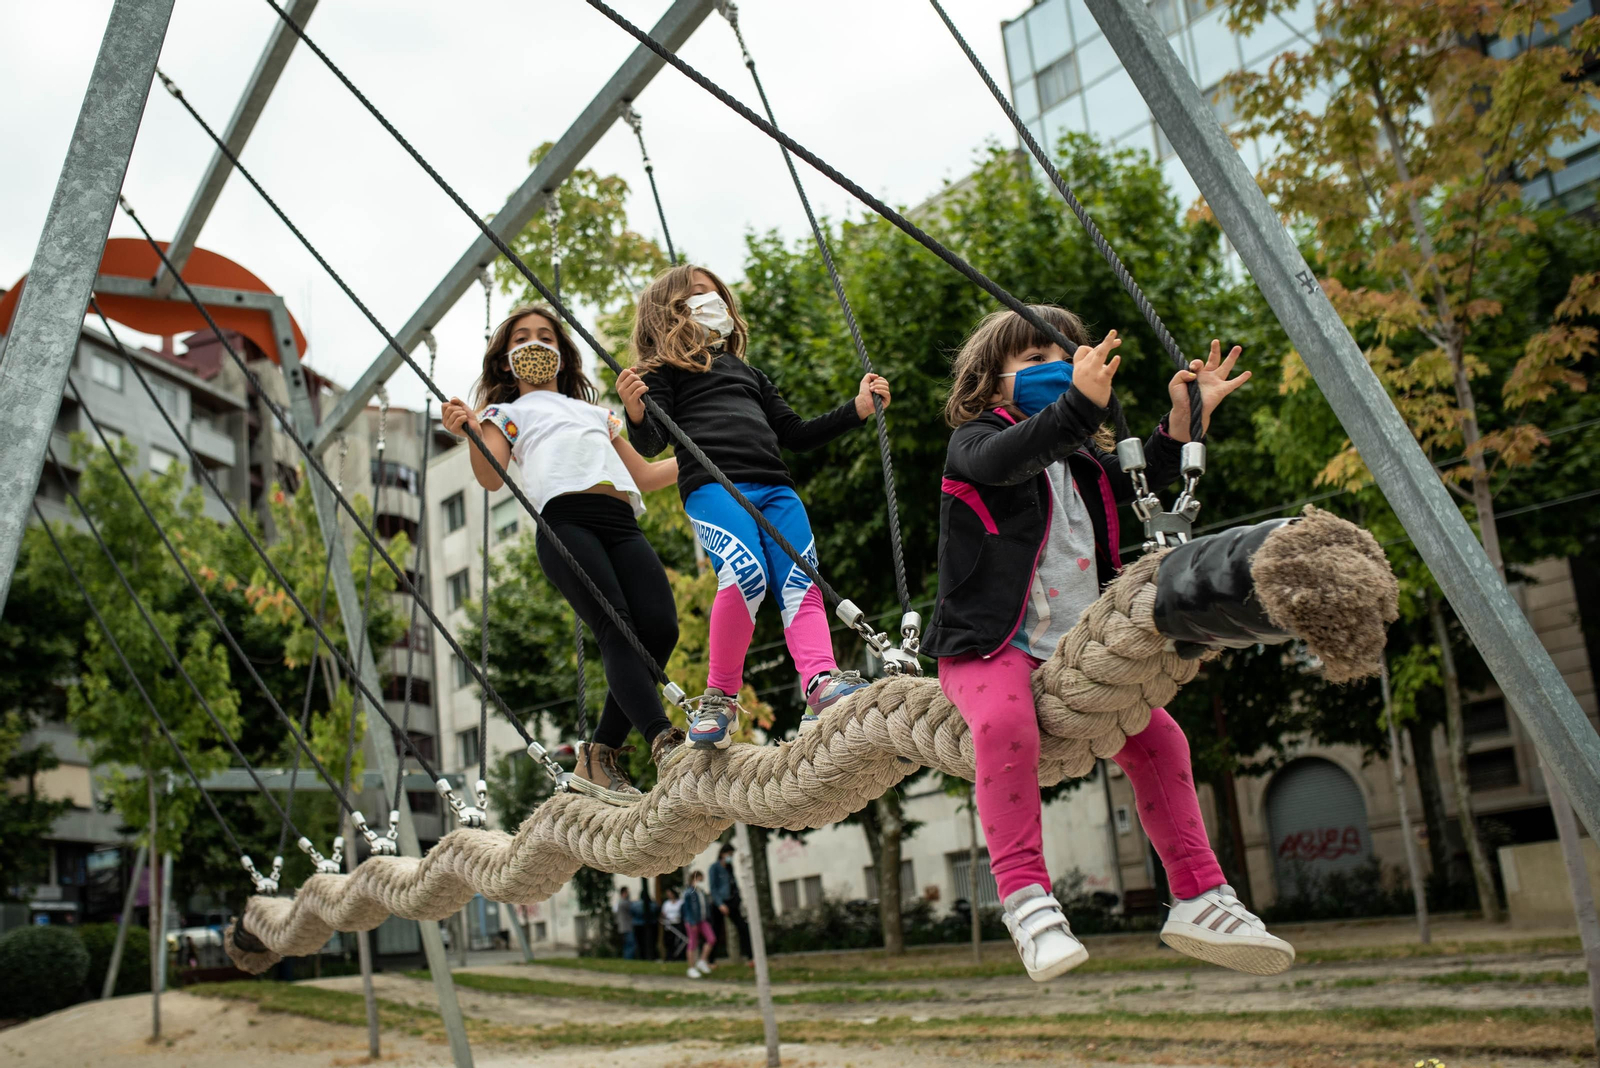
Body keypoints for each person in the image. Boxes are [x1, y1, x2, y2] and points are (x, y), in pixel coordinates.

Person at [923, 306, 1295, 982]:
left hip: (1075, 651)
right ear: (989, 381)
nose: (1054, 369)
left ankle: (1199, 895)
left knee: (1163, 742)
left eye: (1062, 356)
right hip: (987, 647)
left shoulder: (1085, 461)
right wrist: (1071, 406)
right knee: (1006, 725)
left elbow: (1145, 475)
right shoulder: (974, 443)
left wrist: (1184, 423)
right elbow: (1008, 461)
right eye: (1033, 361)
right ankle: (1025, 896)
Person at [619, 264, 892, 748]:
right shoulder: (662, 373)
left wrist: (857, 410)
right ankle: (720, 697)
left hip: (776, 488)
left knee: (800, 579)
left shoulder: (748, 373)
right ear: (670, 314)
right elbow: (652, 440)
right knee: (745, 577)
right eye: (696, 297)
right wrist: (636, 410)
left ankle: (820, 680)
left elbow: (795, 433)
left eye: (714, 295)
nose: (712, 304)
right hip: (714, 487)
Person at [442, 304, 686, 801]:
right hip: (564, 523)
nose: (536, 344)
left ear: (561, 352)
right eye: (522, 338)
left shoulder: (597, 414)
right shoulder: (504, 414)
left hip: (621, 523)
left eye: (546, 336)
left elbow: (647, 475)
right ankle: (663, 740)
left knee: (660, 629)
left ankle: (598, 754)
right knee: (616, 626)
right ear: (506, 361)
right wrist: (469, 433)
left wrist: (707, 452)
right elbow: (491, 476)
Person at [707, 842, 753, 965]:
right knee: (715, 931)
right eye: (729, 854)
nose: (731, 857)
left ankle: (750, 957)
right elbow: (713, 888)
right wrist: (720, 904)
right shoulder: (714, 868)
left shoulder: (729, 867)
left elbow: (734, 884)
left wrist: (737, 898)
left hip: (731, 902)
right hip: (719, 904)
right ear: (722, 854)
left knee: (743, 927)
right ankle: (710, 961)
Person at [681, 870, 716, 977]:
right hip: (693, 921)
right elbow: (687, 909)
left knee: (711, 939)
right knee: (693, 943)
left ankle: (702, 960)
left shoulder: (701, 892)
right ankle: (691, 968)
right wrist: (691, 922)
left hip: (702, 920)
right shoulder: (689, 892)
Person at [660, 887, 685, 961]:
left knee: (678, 941)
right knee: (669, 942)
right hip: (669, 925)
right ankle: (670, 957)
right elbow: (663, 914)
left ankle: (679, 956)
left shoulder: (680, 902)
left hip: (677, 924)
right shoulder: (666, 904)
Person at [614, 886, 637, 959]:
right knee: (630, 944)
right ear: (624, 893)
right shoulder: (624, 903)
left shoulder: (619, 903)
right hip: (627, 927)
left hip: (623, 927)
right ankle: (629, 959)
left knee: (626, 945)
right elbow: (633, 907)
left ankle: (627, 958)